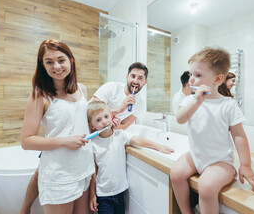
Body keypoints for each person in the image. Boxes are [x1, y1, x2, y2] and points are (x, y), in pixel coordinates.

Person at [170, 47, 254, 214]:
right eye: (191, 74)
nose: (191, 79)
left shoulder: (227, 105)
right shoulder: (190, 100)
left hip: (220, 162)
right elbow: (180, 119)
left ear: (218, 79)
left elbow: (239, 136)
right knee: (175, 173)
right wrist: (196, 101)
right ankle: (186, 212)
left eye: (198, 75)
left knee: (206, 186)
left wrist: (246, 165)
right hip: (195, 156)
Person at [20, 39, 94, 214]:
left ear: (71, 61)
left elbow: (81, 123)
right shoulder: (40, 95)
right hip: (59, 174)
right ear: (43, 66)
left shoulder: (81, 89)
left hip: (83, 168)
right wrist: (64, 141)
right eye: (49, 62)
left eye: (61, 60)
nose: (57, 66)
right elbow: (26, 141)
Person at [87, 101, 174, 214]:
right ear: (92, 125)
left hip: (120, 192)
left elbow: (138, 140)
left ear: (112, 117)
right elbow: (93, 173)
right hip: (103, 196)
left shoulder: (119, 135)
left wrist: (157, 146)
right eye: (98, 120)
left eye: (106, 116)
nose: (104, 122)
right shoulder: (93, 144)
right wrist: (92, 196)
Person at [92, 62, 148, 130]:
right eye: (133, 76)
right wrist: (119, 109)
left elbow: (123, 126)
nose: (135, 81)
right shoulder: (111, 88)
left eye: (140, 78)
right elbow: (92, 112)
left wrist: (113, 125)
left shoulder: (140, 103)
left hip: (105, 131)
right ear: (127, 77)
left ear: (145, 82)